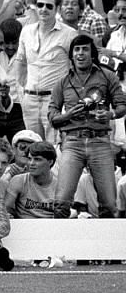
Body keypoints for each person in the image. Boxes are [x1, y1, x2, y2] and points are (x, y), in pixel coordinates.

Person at [48, 34, 126, 218]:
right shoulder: (63, 81)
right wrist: (67, 115)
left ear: (92, 54)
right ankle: (59, 243)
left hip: (99, 141)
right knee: (61, 200)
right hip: (72, 142)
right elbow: (52, 115)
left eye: (85, 49)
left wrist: (110, 114)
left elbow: (122, 105)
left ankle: (107, 244)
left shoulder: (108, 77)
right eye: (77, 49)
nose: (81, 53)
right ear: (72, 55)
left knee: (109, 202)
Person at [11, 0, 77, 142]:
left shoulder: (69, 34)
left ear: (57, 9)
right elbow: (20, 61)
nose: (44, 9)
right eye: (40, 5)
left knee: (54, 146)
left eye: (49, 6)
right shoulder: (26, 31)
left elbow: (77, 68)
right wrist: (22, 90)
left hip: (54, 101)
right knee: (33, 146)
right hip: (30, 100)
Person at [5, 142, 58, 219]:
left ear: (50, 162)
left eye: (37, 159)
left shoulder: (60, 186)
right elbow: (7, 209)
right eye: (29, 159)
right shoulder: (19, 181)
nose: (31, 163)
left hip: (50, 227)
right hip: (23, 226)